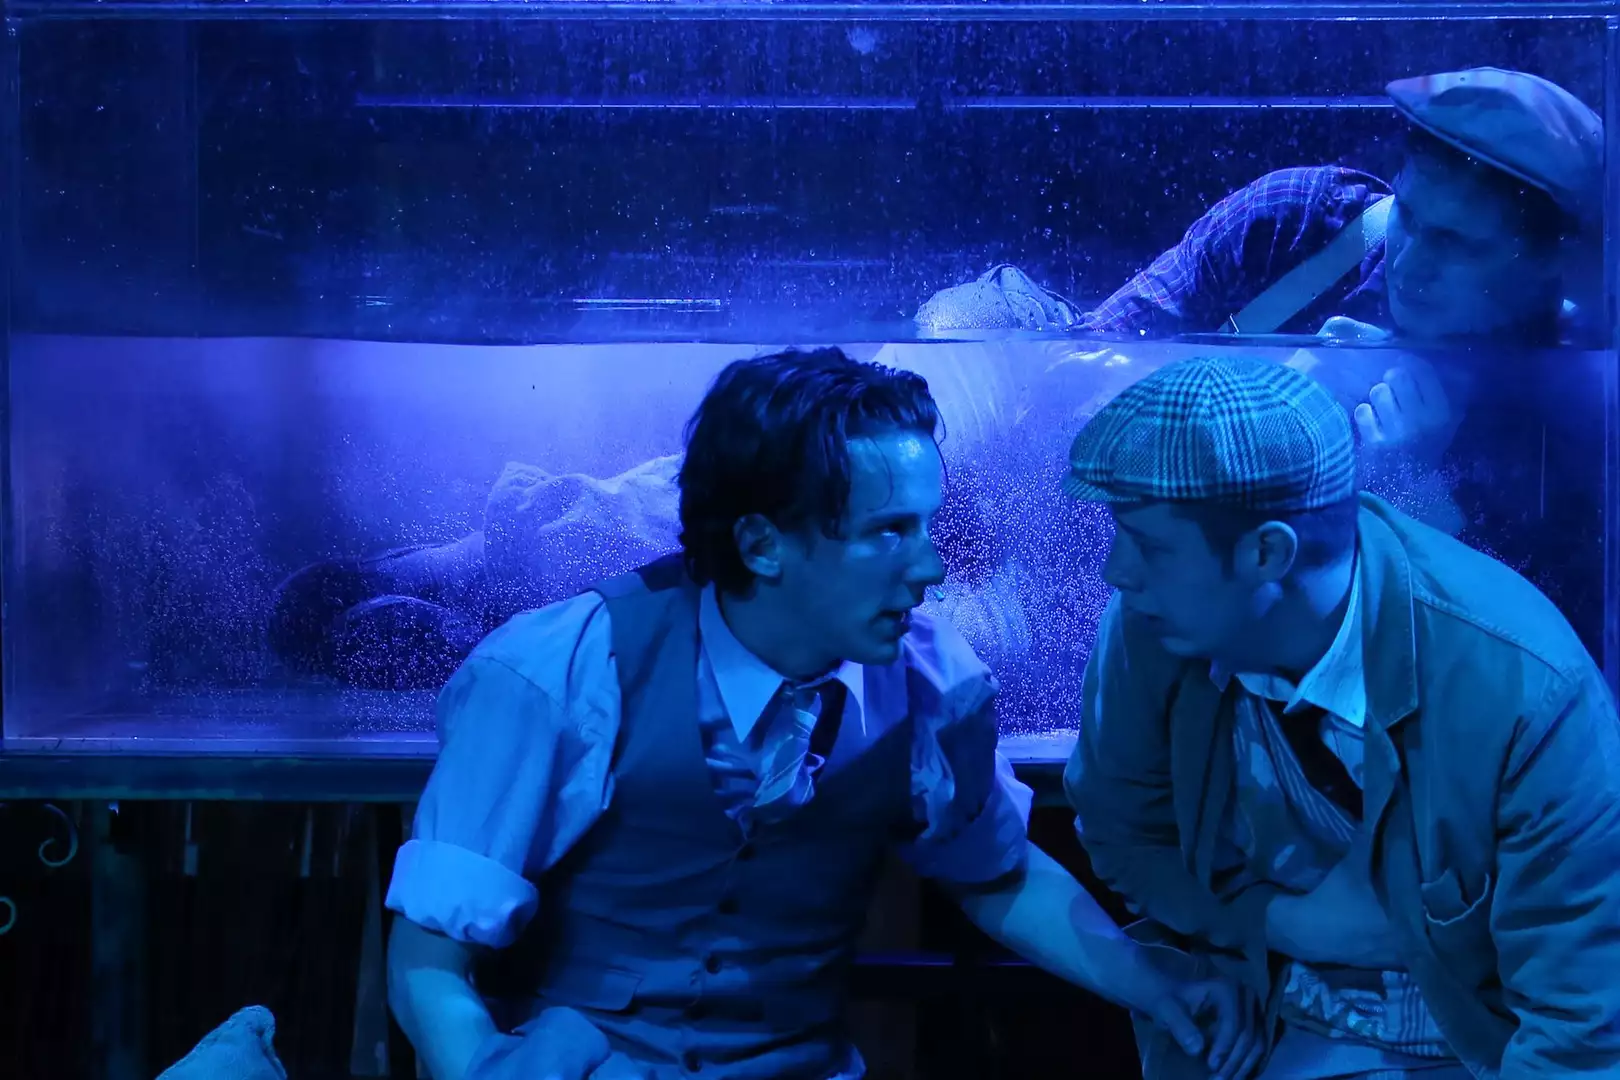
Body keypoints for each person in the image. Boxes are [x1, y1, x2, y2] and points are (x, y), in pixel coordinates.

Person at [384, 347, 1256, 1080]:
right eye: (889, 532)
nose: (931, 568)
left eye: (929, 526)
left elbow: (992, 872)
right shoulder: (556, 673)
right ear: (762, 543)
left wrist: (1154, 982)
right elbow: (428, 959)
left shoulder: (930, 681)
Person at [1060, 354, 1620, 1078]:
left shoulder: (1522, 688)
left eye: (1149, 546)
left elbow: (1580, 1031)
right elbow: (1122, 834)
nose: (1116, 571)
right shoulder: (1157, 625)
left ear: (1268, 552)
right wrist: (1280, 923)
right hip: (1261, 1022)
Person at [917, 67, 1603, 348]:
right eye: (1411, 217)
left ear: (1550, 263)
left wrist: (1412, 477)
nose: (1412, 263)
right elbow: (1104, 350)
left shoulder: (1584, 379)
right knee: (956, 332)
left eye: (1459, 242)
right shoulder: (1296, 219)